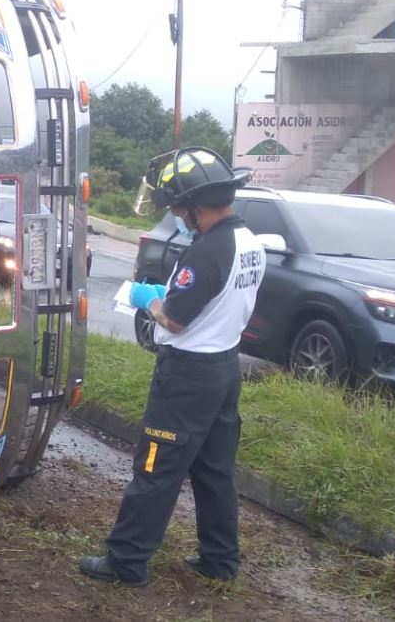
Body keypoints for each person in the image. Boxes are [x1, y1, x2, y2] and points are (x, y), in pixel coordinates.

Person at [78, 147, 263, 585]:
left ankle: (126, 562)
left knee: (156, 468)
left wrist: (149, 300)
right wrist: (172, 292)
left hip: (187, 376)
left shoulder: (206, 251)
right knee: (215, 469)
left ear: (197, 207)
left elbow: (174, 320)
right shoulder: (248, 242)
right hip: (223, 368)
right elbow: (217, 299)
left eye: (179, 208)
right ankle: (220, 560)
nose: (178, 216)